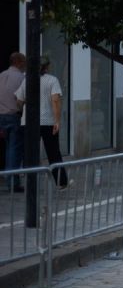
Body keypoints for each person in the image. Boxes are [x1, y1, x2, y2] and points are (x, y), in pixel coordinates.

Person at [15, 57, 69, 189]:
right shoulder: (52, 80)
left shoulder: (27, 80)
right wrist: (57, 121)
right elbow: (55, 100)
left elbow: (19, 101)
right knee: (53, 152)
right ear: (47, 67)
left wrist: (22, 111)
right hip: (47, 121)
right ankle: (61, 182)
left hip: (29, 122)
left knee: (30, 152)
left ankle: (30, 182)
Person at [0, 52, 26, 191]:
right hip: (14, 116)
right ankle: (12, 182)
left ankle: (9, 178)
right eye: (24, 62)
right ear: (19, 63)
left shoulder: (2, 75)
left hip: (1, 116)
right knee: (14, 149)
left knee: (9, 147)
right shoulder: (21, 78)